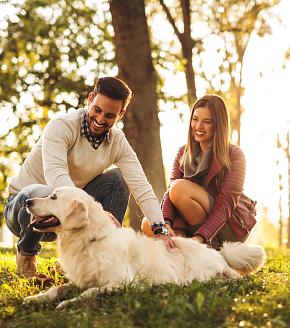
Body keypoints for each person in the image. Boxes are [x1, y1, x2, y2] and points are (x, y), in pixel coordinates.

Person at [4, 76, 174, 279]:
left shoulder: (118, 141)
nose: (101, 119)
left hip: (66, 213)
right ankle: (26, 256)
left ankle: (94, 255)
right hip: (24, 207)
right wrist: (97, 213)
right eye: (98, 110)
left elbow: (140, 185)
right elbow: (56, 175)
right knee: (42, 191)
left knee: (118, 179)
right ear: (90, 98)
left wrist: (160, 229)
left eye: (110, 115)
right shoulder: (61, 126)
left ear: (121, 113)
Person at [142, 94, 251, 249]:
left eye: (207, 122)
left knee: (179, 188)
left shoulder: (234, 154)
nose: (198, 126)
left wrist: (200, 238)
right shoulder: (182, 153)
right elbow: (169, 195)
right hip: (192, 220)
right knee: (149, 224)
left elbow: (226, 204)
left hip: (226, 227)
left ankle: (206, 246)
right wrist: (165, 225)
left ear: (219, 125)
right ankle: (184, 254)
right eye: (195, 119)